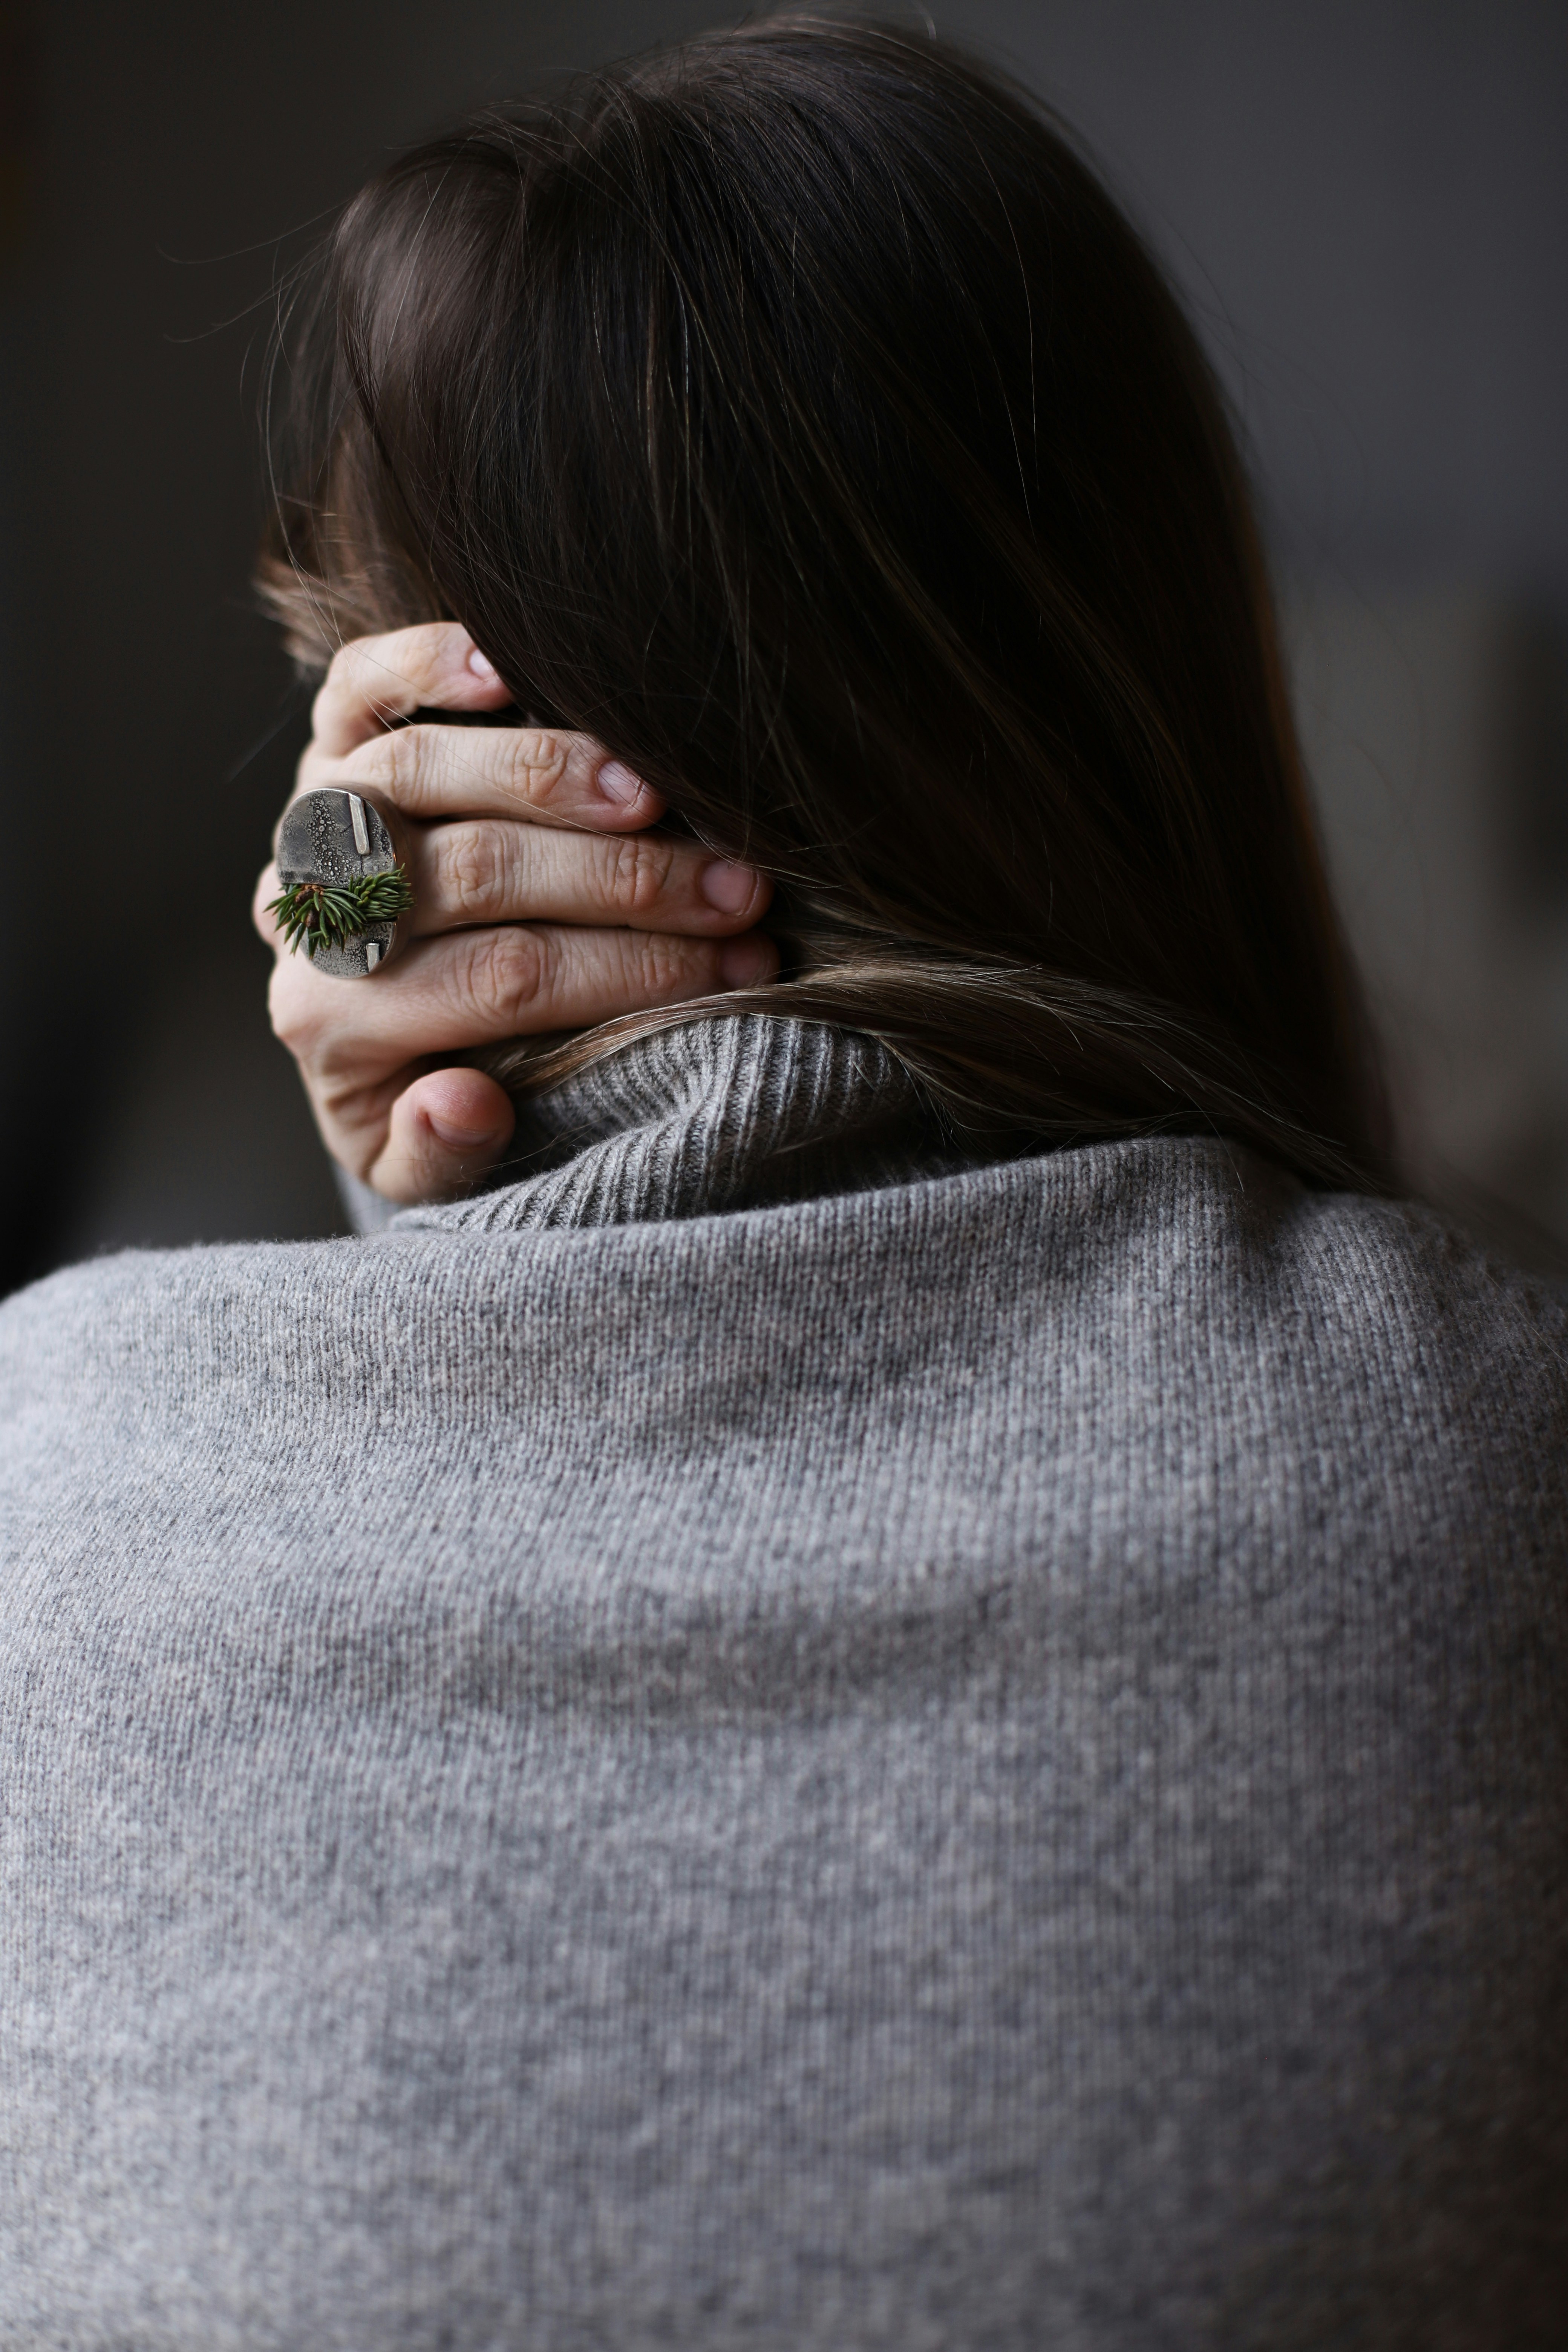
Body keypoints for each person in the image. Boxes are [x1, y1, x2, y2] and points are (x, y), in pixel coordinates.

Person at [2, 14, 1565, 2345]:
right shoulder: (1498, 1447)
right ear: (1154, 706)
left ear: (398, 757)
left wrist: (461, 1196)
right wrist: (459, 1218)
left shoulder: (53, 1470)